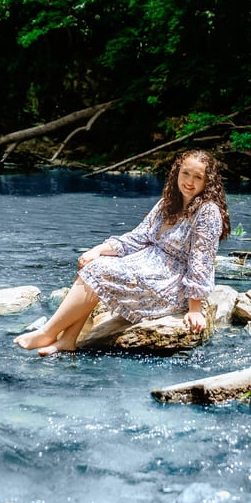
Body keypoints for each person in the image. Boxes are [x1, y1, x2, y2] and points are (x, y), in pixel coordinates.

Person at [14, 149, 231, 355]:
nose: (189, 182)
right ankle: (67, 340)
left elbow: (201, 261)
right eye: (185, 173)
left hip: (171, 283)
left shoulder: (207, 212)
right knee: (92, 263)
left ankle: (47, 332)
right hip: (147, 267)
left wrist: (195, 309)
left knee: (99, 271)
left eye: (198, 177)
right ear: (177, 172)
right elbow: (136, 238)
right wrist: (98, 250)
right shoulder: (167, 203)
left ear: (207, 182)